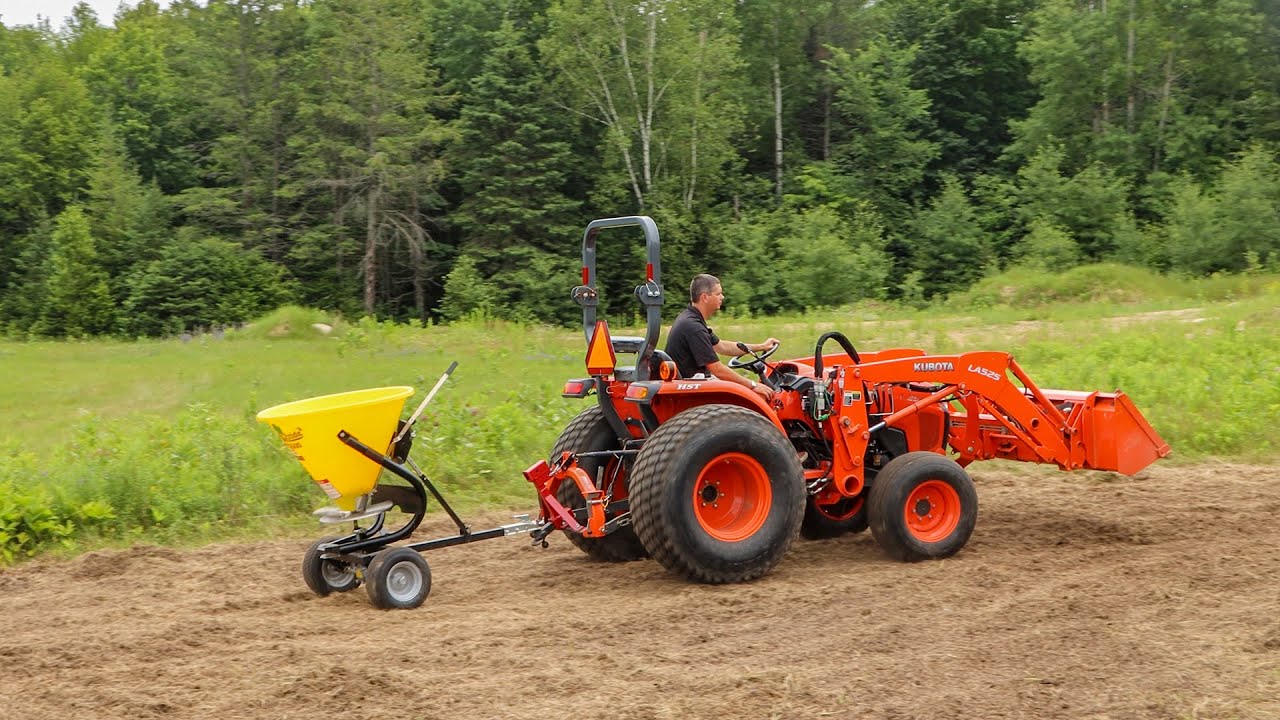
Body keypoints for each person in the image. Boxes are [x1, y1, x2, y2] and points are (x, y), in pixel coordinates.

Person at [664, 273, 778, 401]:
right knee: (759, 396)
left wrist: (762, 346)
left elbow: (722, 346)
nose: (722, 297)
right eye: (718, 294)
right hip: (692, 389)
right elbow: (718, 370)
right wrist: (752, 385)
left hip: (697, 382)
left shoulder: (692, 319)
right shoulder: (693, 327)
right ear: (705, 297)